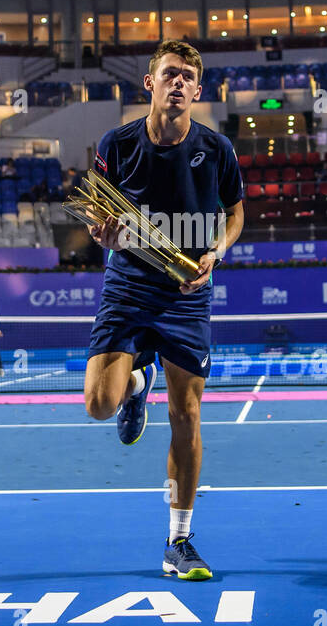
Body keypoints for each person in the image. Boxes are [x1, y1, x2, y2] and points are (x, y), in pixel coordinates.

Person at [83, 39, 245, 582]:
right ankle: (132, 386)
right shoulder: (117, 143)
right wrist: (98, 230)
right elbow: (96, 212)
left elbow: (236, 213)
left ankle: (179, 540)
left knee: (187, 416)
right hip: (128, 287)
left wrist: (215, 253)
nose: (178, 82)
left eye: (187, 77)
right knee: (99, 406)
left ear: (198, 91)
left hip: (185, 294)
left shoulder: (218, 149)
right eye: (168, 74)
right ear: (148, 84)